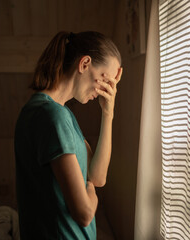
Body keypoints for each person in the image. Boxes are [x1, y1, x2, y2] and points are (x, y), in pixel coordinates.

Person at [14, 31, 122, 239]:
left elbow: (98, 177)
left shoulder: (60, 114)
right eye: (104, 79)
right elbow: (84, 213)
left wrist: (108, 113)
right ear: (84, 64)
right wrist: (88, 187)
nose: (104, 90)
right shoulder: (53, 117)